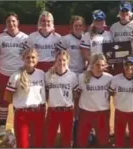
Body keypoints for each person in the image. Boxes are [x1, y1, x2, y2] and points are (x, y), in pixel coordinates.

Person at [0, 12, 29, 137]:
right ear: (5, 23)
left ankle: (17, 125)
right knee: (3, 101)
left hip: (19, 74)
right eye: (8, 21)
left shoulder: (25, 38)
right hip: (3, 73)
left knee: (19, 101)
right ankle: (2, 126)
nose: (11, 23)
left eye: (13, 21)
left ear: (18, 22)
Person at [4, 48, 46, 148]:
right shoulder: (16, 75)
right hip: (23, 114)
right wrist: (19, 104)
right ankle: (13, 140)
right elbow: (7, 97)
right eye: (27, 57)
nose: (30, 59)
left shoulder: (42, 74)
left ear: (37, 59)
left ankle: (11, 139)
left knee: (38, 143)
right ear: (23, 58)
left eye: (33, 57)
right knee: (23, 145)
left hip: (39, 113)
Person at [55, 15, 86, 147]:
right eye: (75, 25)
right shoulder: (65, 39)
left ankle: (80, 127)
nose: (78, 28)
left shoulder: (87, 37)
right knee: (69, 101)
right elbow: (57, 55)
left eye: (80, 25)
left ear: (84, 27)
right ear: (71, 27)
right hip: (69, 74)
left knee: (81, 101)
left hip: (83, 74)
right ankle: (69, 129)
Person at [109, 56, 133, 148]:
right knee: (119, 138)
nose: (129, 67)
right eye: (126, 64)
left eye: (131, 65)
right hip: (120, 112)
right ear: (123, 65)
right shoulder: (116, 79)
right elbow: (111, 93)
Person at [76, 53, 112, 148]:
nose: (100, 67)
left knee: (103, 140)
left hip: (102, 112)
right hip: (86, 112)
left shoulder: (109, 78)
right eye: (97, 65)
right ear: (92, 65)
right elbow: (77, 95)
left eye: (102, 65)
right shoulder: (82, 77)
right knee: (82, 141)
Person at [45, 50, 78, 147]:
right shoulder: (48, 75)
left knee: (67, 138)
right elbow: (46, 92)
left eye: (64, 60)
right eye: (59, 60)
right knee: (50, 137)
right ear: (55, 61)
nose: (61, 62)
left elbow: (75, 94)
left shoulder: (72, 76)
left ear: (68, 61)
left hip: (67, 110)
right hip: (53, 110)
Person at [110, 2, 133, 75]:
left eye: (126, 11)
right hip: (118, 60)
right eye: (122, 11)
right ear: (119, 13)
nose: (124, 13)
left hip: (132, 58)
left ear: (130, 13)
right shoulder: (113, 27)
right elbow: (111, 46)